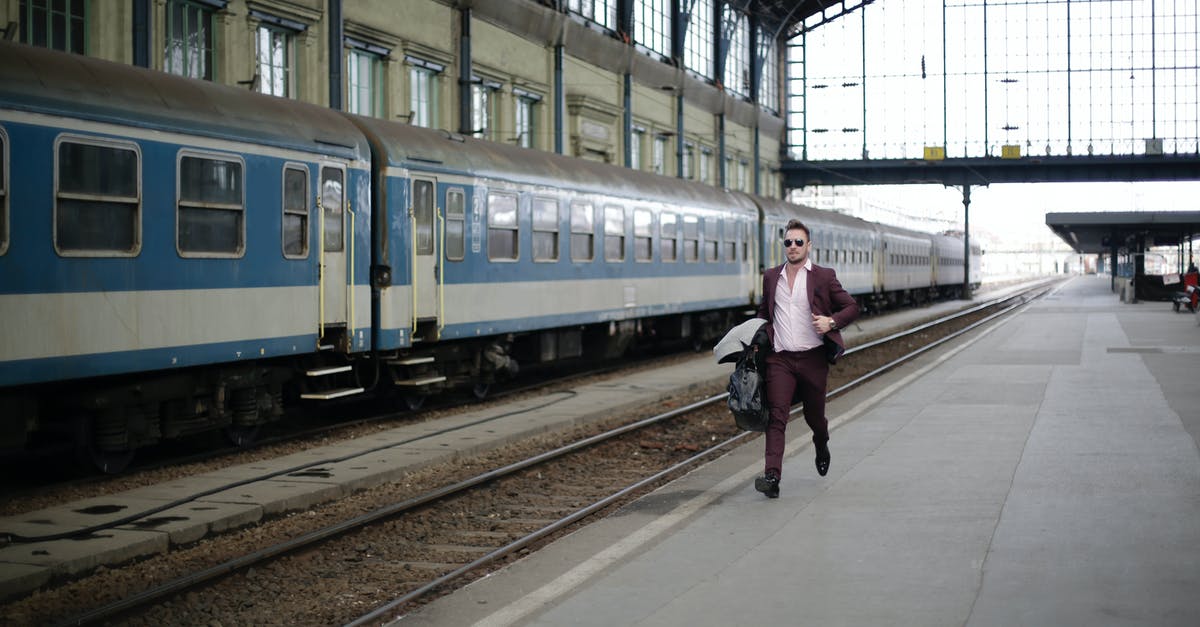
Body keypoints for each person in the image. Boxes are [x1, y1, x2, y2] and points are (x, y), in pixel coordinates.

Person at [753, 219, 859, 498]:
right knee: (776, 417)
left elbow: (851, 307)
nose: (793, 247)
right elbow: (764, 314)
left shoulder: (823, 276)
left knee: (815, 417)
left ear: (808, 246)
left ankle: (821, 443)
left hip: (812, 359)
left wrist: (832, 323)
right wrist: (755, 339)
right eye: (788, 242)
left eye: (799, 242)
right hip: (781, 359)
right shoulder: (771, 276)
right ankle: (772, 477)